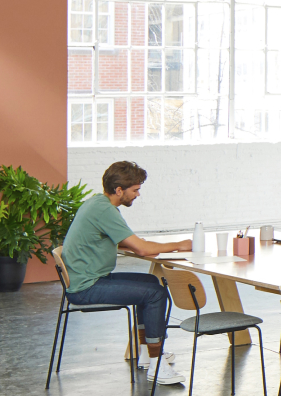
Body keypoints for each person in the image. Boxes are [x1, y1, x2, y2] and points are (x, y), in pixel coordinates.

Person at [61, 161, 195, 384]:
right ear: (119, 190)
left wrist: (145, 245)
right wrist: (179, 245)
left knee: (151, 282)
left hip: (87, 280)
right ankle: (157, 366)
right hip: (86, 287)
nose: (138, 194)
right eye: (135, 189)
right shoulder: (104, 210)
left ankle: (146, 354)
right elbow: (141, 249)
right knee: (156, 294)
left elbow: (125, 242)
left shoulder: (97, 203)